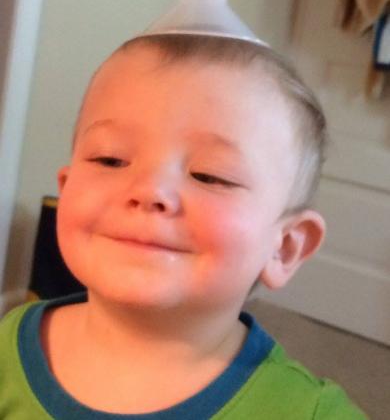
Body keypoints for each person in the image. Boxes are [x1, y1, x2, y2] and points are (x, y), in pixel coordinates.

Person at [0, 35, 366, 418]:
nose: (149, 190)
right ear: (66, 188)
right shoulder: (11, 344)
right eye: (110, 159)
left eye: (210, 175)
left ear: (285, 247)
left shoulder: (307, 412)